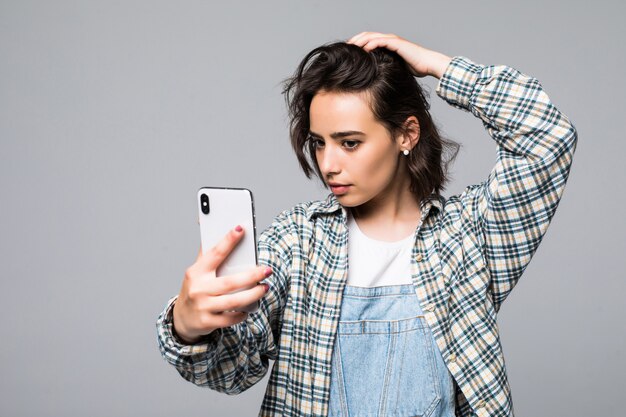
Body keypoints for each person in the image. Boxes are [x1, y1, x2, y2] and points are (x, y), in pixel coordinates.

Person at [156, 32, 578, 417]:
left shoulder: (468, 238)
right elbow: (233, 370)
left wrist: (436, 65)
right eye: (319, 142)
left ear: (406, 134)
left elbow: (548, 138)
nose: (328, 164)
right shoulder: (299, 242)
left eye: (350, 142)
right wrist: (189, 327)